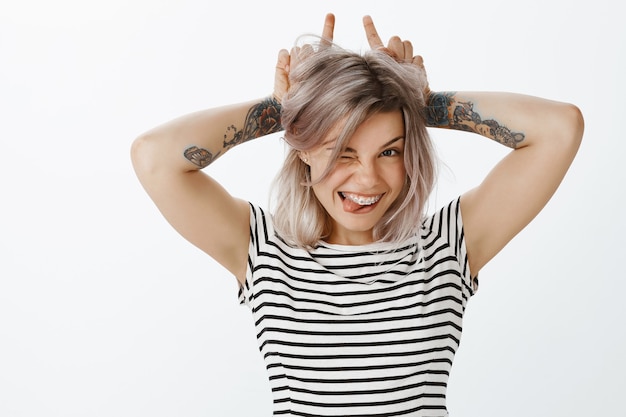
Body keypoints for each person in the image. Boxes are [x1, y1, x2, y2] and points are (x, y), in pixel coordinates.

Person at [131, 13, 583, 417]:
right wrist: (287, 110)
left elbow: (560, 128)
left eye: (389, 151)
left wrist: (422, 103)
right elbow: (155, 157)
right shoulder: (264, 252)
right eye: (341, 151)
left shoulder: (446, 247)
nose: (367, 179)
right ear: (304, 150)